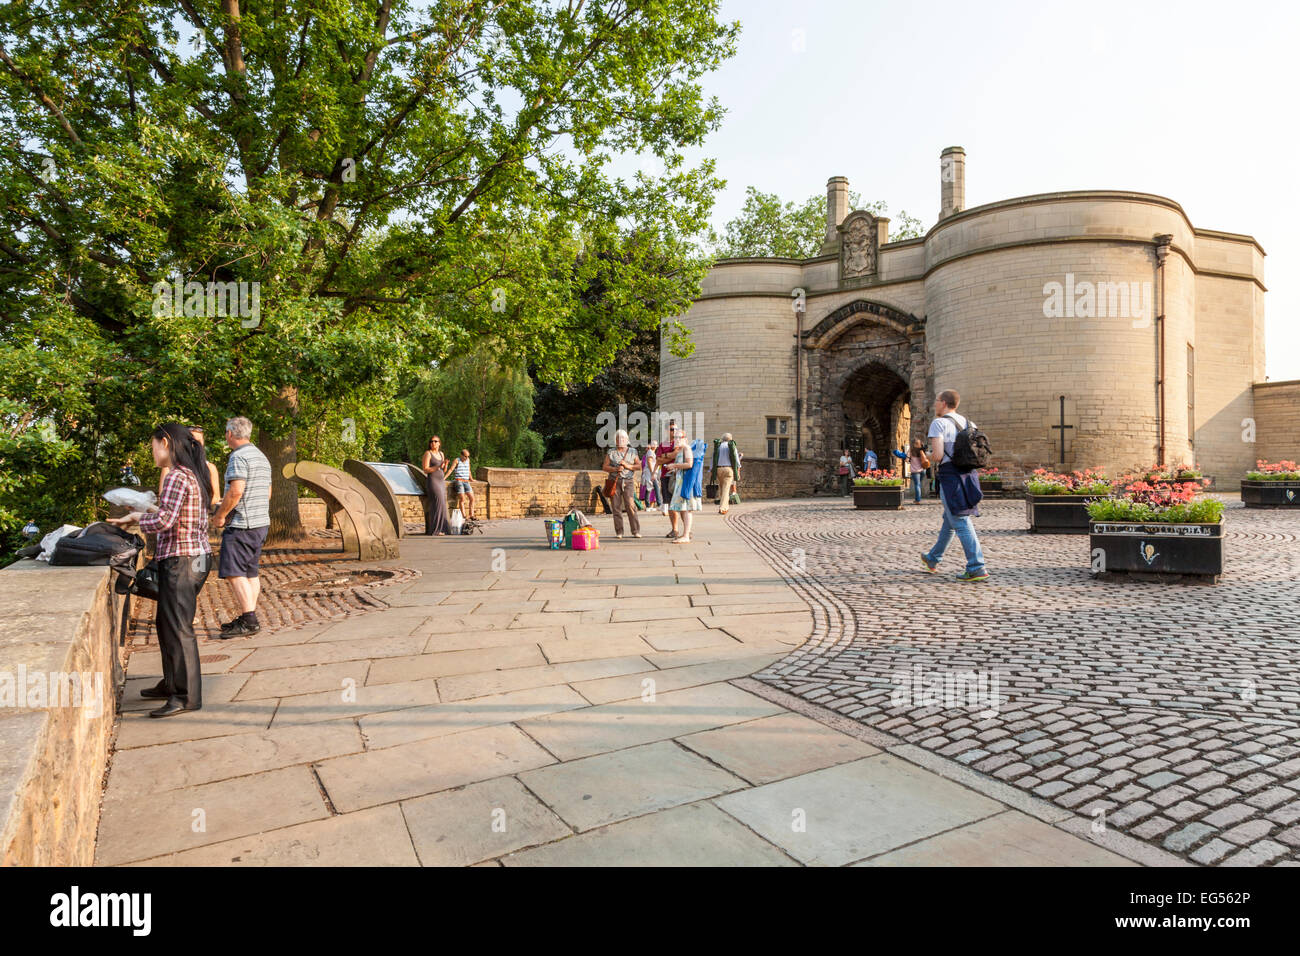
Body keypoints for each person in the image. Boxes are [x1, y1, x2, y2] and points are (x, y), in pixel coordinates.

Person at [109, 423, 212, 718]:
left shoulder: (176, 476)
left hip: (182, 560)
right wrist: (140, 513)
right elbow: (173, 515)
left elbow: (166, 521)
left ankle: (186, 696)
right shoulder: (191, 473)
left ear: (165, 442)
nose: (152, 451)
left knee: (179, 628)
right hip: (193, 557)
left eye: (153, 444)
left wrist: (138, 520)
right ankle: (171, 684)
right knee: (167, 625)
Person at [212, 416, 272, 637]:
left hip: (243, 524)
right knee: (250, 572)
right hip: (260, 522)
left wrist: (220, 515)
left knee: (233, 571)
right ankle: (249, 615)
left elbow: (236, 491)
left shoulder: (238, 457)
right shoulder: (261, 457)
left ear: (229, 434)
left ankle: (249, 620)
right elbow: (267, 493)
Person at [921, 389, 988, 582]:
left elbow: (939, 455)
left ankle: (976, 566)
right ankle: (933, 558)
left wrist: (927, 457)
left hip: (950, 476)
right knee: (949, 519)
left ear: (943, 403)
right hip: (969, 475)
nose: (935, 404)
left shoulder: (939, 423)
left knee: (960, 520)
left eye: (936, 401)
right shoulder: (970, 424)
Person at [159, 424, 221, 506]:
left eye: (198, 441)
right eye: (191, 440)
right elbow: (162, 496)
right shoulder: (169, 467)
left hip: (200, 515)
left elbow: (216, 497)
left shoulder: (210, 468)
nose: (194, 444)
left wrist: (194, 506)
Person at [602, 430, 641, 539]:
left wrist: (627, 466)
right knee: (616, 507)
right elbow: (604, 467)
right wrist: (615, 468)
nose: (620, 440)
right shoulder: (611, 452)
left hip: (628, 482)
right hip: (615, 481)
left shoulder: (633, 451)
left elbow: (638, 466)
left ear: (627, 440)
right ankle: (619, 532)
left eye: (623, 438)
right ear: (615, 440)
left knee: (630, 505)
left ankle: (635, 531)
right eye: (618, 438)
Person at [663, 425, 694, 543]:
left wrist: (674, 465)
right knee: (683, 509)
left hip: (684, 483)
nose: (676, 439)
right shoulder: (680, 450)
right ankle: (685, 534)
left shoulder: (686, 448)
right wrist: (674, 469)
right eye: (675, 437)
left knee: (686, 509)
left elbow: (689, 464)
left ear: (685, 439)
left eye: (679, 437)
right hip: (680, 482)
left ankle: (686, 535)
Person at [421, 436, 452, 535]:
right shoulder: (428, 453)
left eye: (435, 441)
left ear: (439, 443)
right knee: (437, 504)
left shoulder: (441, 454)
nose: (433, 443)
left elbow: (443, 470)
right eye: (431, 441)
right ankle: (436, 529)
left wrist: (445, 465)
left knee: (442, 504)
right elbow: (425, 469)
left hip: (441, 481)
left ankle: (443, 529)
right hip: (433, 481)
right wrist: (438, 466)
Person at [711, 433, 742, 514]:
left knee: (721, 488)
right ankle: (723, 508)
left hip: (718, 469)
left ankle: (724, 506)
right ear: (730, 439)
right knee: (726, 489)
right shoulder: (731, 446)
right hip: (728, 469)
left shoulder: (718, 446)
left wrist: (711, 470)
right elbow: (736, 459)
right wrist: (738, 469)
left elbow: (713, 458)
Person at [656, 420, 677, 516]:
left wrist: (664, 456)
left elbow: (675, 454)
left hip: (677, 474)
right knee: (667, 498)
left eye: (676, 429)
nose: (674, 431)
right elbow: (658, 460)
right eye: (672, 429)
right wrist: (670, 456)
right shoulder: (663, 444)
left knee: (676, 500)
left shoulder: (678, 442)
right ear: (666, 430)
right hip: (665, 474)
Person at [451, 448, 475, 520]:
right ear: (461, 455)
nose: (467, 458)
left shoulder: (468, 460)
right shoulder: (457, 460)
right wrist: (444, 477)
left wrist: (471, 479)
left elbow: (469, 470)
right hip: (459, 481)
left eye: (468, 456)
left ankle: (471, 515)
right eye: (465, 456)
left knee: (472, 498)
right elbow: (451, 469)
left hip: (466, 481)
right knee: (462, 499)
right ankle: (464, 516)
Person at [907, 438, 930, 504]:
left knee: (917, 485)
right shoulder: (922, 450)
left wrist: (909, 460)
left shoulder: (910, 451)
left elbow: (906, 460)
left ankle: (917, 500)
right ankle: (917, 499)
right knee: (918, 484)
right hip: (923, 470)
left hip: (915, 471)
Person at [640, 445, 659, 509]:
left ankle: (651, 506)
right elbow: (643, 466)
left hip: (652, 474)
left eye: (649, 447)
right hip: (648, 475)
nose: (648, 449)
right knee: (649, 489)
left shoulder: (653, 455)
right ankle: (649, 506)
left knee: (653, 490)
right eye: (647, 448)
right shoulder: (644, 457)